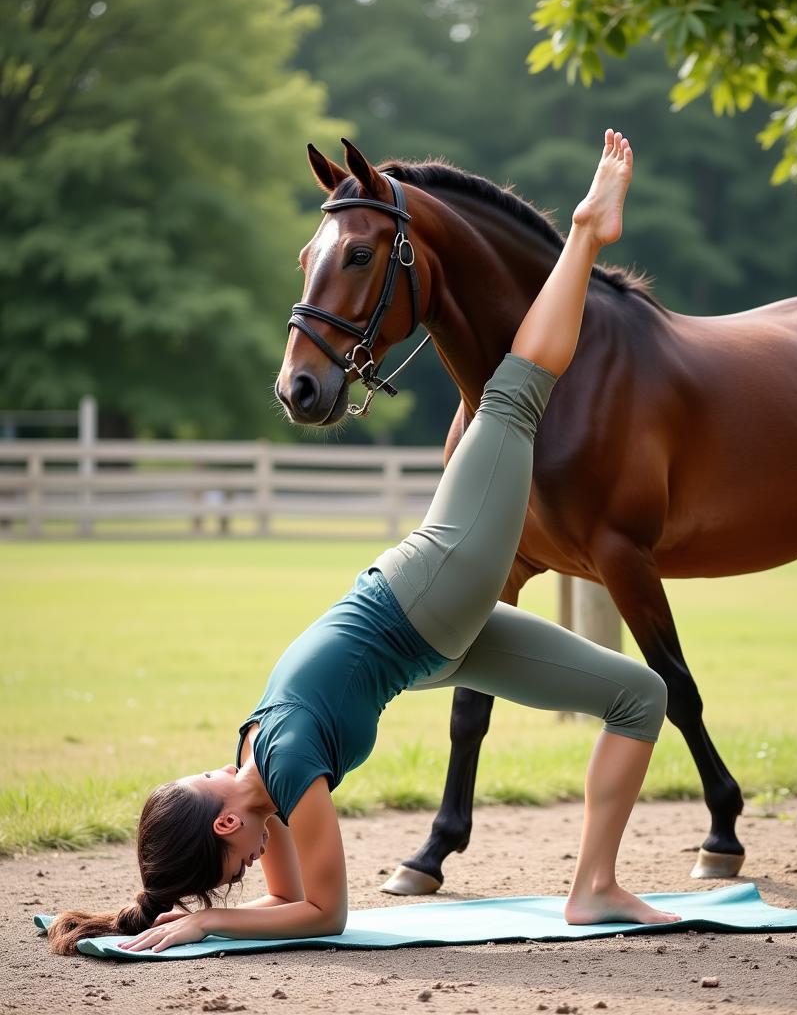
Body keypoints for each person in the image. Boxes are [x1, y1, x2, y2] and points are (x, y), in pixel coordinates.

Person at [49, 131, 676, 957]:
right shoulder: (257, 759)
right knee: (641, 697)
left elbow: (322, 914)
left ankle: (588, 229)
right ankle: (593, 889)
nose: (251, 869)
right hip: (430, 646)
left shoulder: (283, 761)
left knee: (516, 394)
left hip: (427, 598)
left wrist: (208, 917)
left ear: (231, 819)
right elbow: (301, 900)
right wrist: (173, 903)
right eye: (238, 874)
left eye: (234, 861)